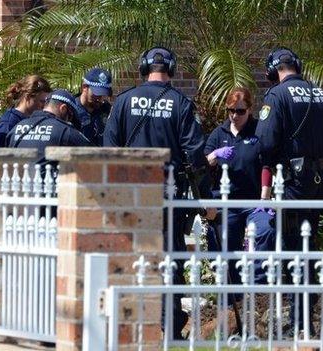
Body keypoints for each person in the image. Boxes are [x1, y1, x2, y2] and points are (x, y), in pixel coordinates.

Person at [103, 46, 212, 339]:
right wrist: (207, 197)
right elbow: (194, 153)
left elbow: (109, 149)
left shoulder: (124, 101)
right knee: (171, 258)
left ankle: (128, 324)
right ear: (172, 70)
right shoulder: (180, 103)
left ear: (143, 67)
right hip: (169, 194)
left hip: (129, 195)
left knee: (129, 257)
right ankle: (170, 328)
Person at [255, 47, 323, 336]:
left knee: (294, 250)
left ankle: (300, 324)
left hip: (293, 185)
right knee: (309, 248)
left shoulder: (277, 96)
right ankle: (306, 317)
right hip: (320, 184)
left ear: (272, 72)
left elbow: (265, 143)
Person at [204, 87, 276, 284]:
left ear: (250, 109)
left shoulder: (258, 131)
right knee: (222, 240)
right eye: (231, 110)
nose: (235, 115)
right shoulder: (220, 133)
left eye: (240, 111)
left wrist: (265, 198)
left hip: (253, 199)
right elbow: (203, 164)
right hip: (225, 200)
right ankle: (228, 291)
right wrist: (215, 154)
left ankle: (259, 289)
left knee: (265, 230)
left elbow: (267, 165)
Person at [7, 89, 92, 165]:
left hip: (15, 180)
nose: (69, 121)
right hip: (45, 181)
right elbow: (93, 154)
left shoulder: (17, 127)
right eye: (70, 117)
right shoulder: (65, 130)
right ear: (63, 109)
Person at [0, 75, 52, 147]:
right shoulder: (7, 124)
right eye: (42, 101)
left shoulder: (35, 120)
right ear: (28, 97)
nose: (44, 105)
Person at [75, 68, 112, 146]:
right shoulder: (71, 110)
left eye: (103, 94)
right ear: (84, 87)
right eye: (97, 93)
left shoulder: (107, 110)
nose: (100, 99)